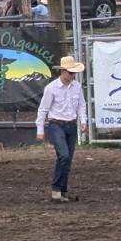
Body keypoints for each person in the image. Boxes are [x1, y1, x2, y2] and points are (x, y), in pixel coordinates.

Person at [36, 56, 87, 203]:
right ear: (63, 72)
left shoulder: (76, 87)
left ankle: (62, 192)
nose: (73, 76)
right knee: (64, 156)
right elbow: (43, 109)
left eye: (73, 73)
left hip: (71, 124)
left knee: (67, 159)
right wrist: (40, 129)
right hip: (56, 124)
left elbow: (81, 105)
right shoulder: (51, 88)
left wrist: (83, 120)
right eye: (71, 73)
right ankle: (57, 189)